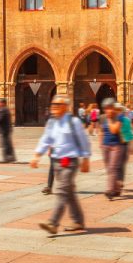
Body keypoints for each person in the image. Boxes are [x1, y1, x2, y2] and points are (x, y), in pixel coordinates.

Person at [31, 96, 91, 234]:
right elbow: (46, 139)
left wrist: (86, 158)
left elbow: (83, 140)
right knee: (68, 193)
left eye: (58, 104)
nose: (54, 106)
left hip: (70, 161)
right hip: (56, 162)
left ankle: (53, 223)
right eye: (53, 104)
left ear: (66, 106)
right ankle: (78, 221)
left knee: (61, 191)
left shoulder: (73, 122)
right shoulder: (52, 122)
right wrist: (37, 155)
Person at [100, 100, 128, 199]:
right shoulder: (102, 117)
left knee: (113, 168)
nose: (109, 110)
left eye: (111, 107)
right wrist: (101, 144)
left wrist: (110, 118)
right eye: (107, 108)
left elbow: (114, 130)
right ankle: (117, 189)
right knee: (109, 169)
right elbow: (101, 131)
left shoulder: (119, 117)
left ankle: (110, 190)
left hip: (116, 145)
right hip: (106, 145)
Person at [0, 98, 16, 163]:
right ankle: (11, 158)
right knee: (8, 144)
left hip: (4, 130)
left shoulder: (3, 110)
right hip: (7, 129)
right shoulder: (5, 109)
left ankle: (6, 158)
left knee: (4, 144)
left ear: (2, 103)